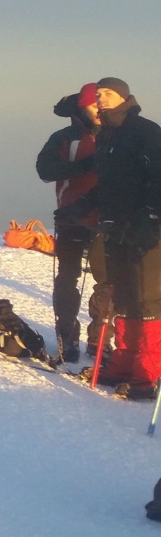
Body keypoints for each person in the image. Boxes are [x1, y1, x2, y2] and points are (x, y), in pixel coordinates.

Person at [88, 77, 161, 397]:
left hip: (146, 229)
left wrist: (152, 216)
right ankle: (124, 364)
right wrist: (83, 206)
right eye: (98, 94)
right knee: (124, 297)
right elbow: (108, 184)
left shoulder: (146, 131)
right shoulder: (106, 136)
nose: (101, 98)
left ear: (124, 97)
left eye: (108, 93)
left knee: (147, 299)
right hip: (115, 228)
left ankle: (148, 374)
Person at [36, 84, 103, 362]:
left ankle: (99, 340)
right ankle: (67, 335)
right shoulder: (65, 138)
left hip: (108, 219)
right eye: (93, 105)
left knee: (107, 281)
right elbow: (45, 170)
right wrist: (87, 165)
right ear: (82, 107)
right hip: (71, 216)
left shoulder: (119, 136)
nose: (99, 110)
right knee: (68, 276)